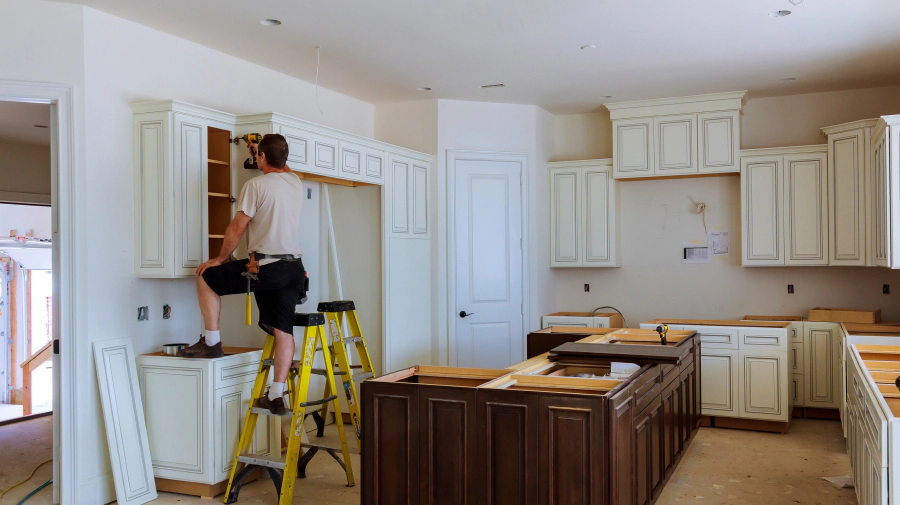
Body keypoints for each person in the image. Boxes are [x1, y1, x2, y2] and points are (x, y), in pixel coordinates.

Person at [178, 133, 305, 415]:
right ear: (285, 158)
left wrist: (220, 259)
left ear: (261, 157)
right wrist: (262, 149)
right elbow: (281, 165)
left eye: (258, 154)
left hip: (266, 266)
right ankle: (276, 394)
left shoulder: (255, 185)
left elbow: (237, 228)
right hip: (293, 268)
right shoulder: (295, 182)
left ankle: (211, 343)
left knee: (206, 277)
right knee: (284, 330)